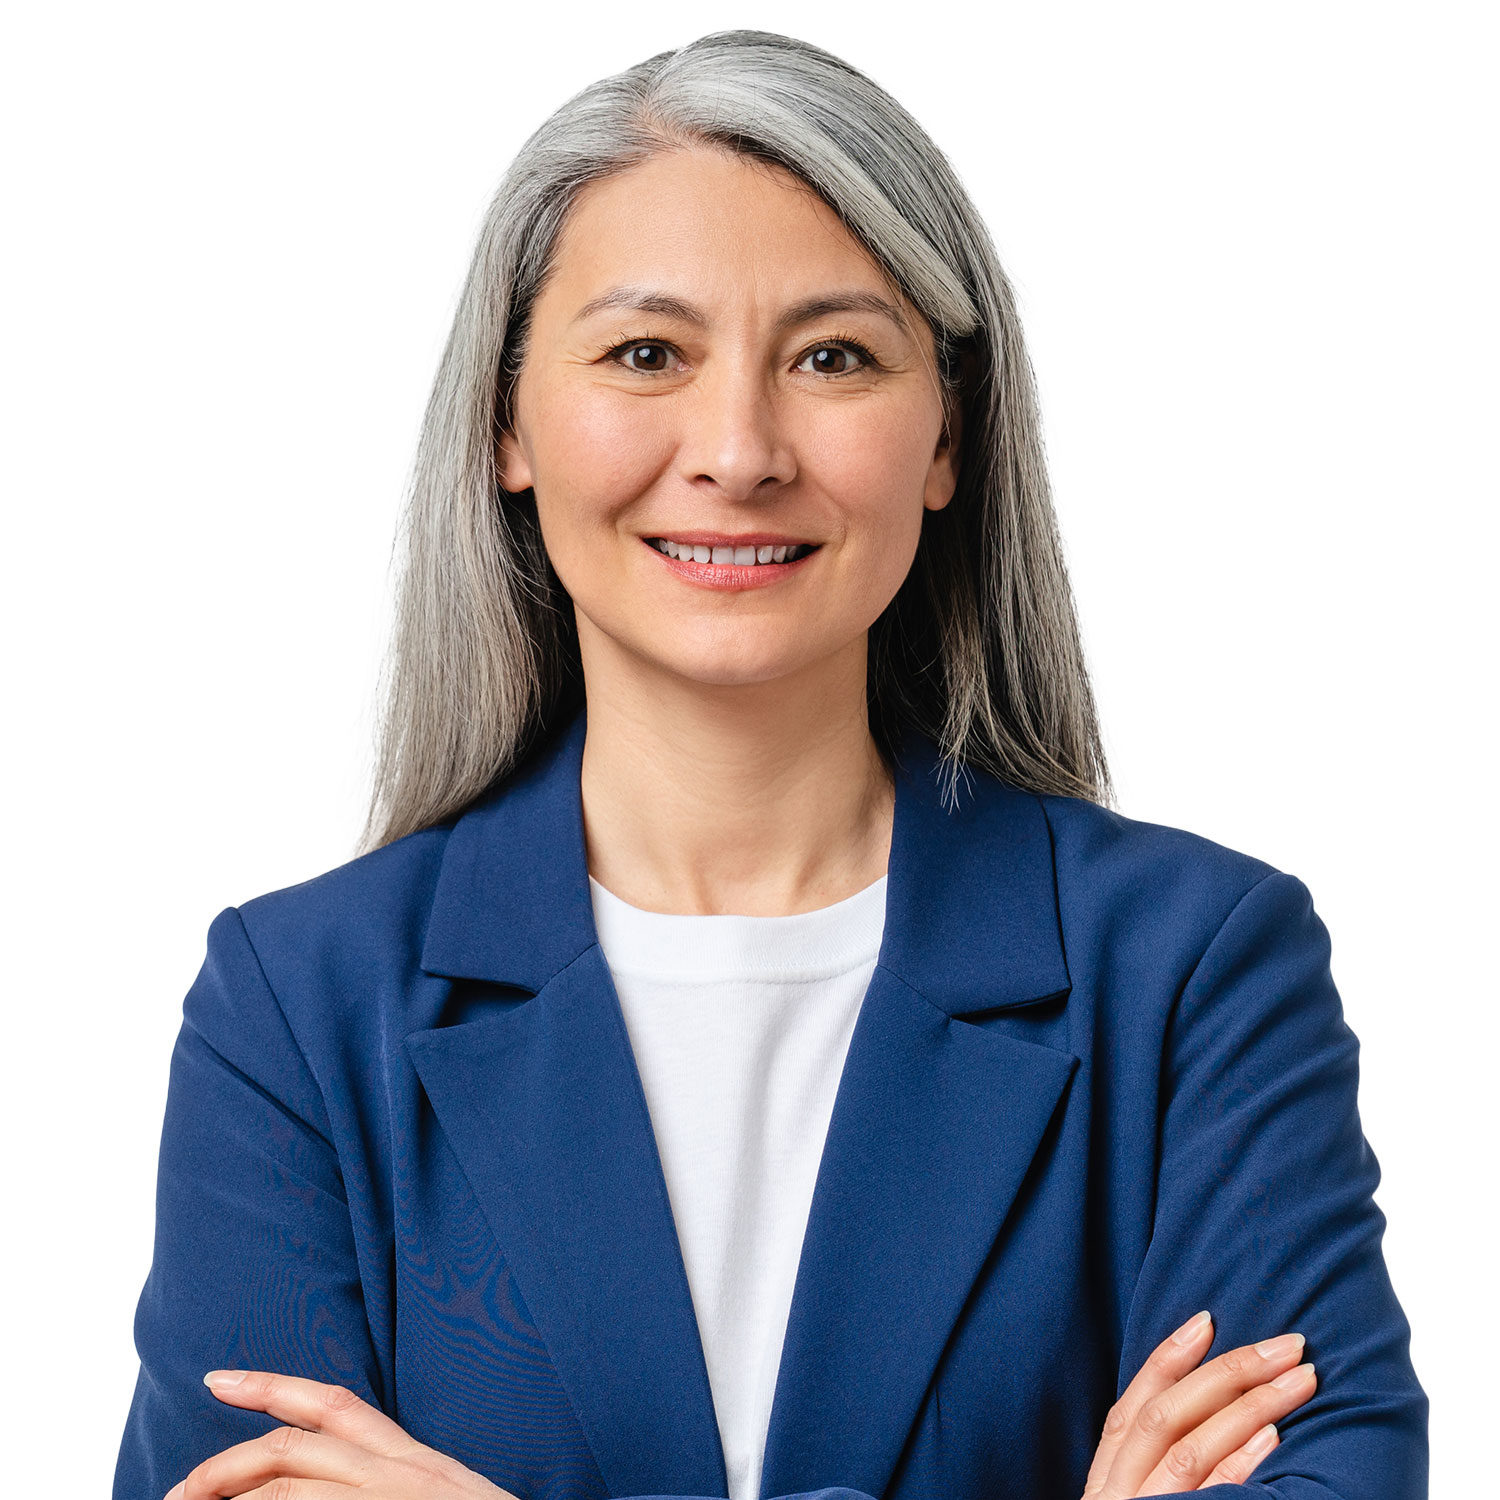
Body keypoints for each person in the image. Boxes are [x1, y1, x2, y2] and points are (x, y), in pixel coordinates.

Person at [113, 28, 1427, 1500]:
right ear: (507, 423)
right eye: (645, 353)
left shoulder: (1193, 973)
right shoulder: (297, 1009)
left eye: (833, 356)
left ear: (947, 436)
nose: (738, 448)